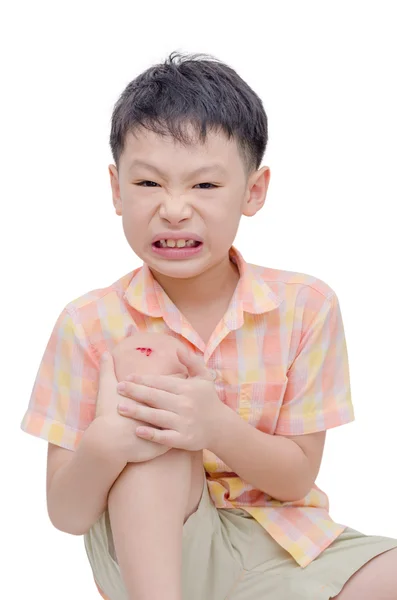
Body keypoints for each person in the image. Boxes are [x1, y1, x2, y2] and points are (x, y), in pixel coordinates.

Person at [21, 51, 397, 600]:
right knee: (159, 434)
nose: (174, 209)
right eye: (148, 183)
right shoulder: (88, 323)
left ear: (254, 191)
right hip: (151, 558)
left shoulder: (306, 306)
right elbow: (66, 514)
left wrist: (214, 424)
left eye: (204, 186)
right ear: (116, 189)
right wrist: (107, 443)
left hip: (285, 549)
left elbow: (294, 479)